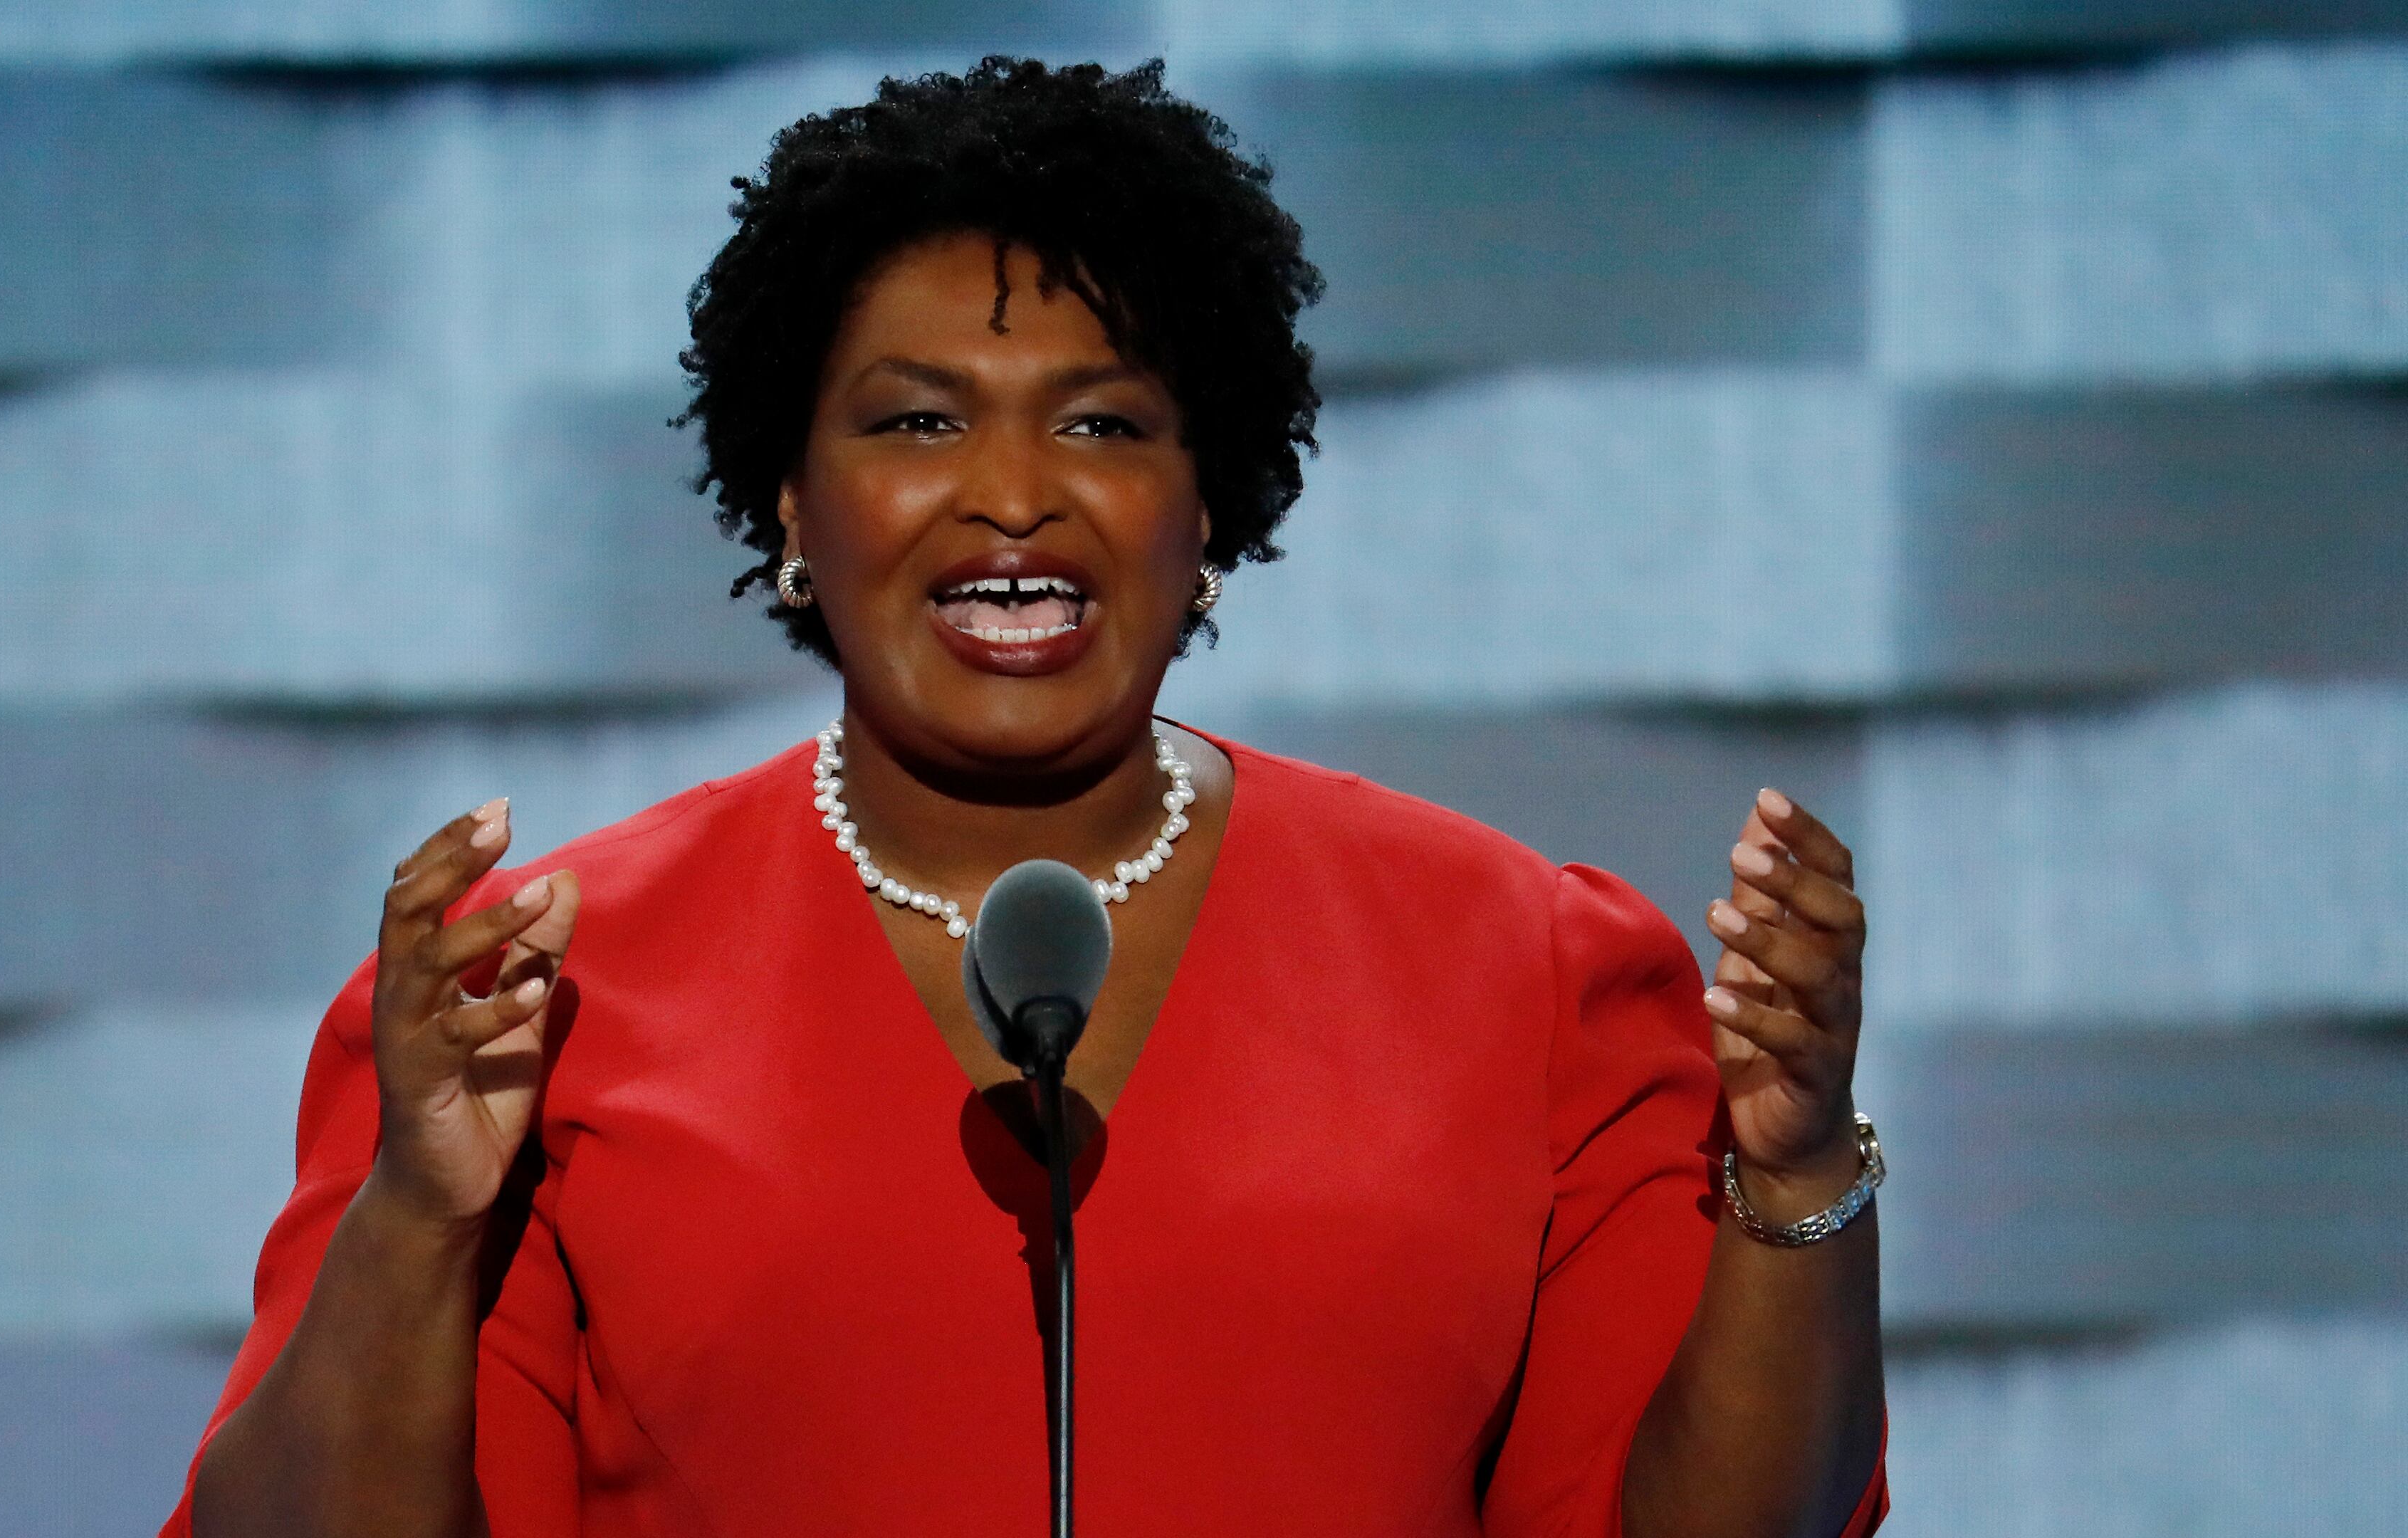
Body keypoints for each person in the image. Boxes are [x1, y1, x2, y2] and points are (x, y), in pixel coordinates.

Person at [169, 57, 1887, 1538]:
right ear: (789, 500)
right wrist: (419, 1213)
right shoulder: (533, 990)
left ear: (1208, 511)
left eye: (1107, 427)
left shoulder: (1530, 966)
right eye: (917, 423)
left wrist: (1798, 1173)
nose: (1011, 498)